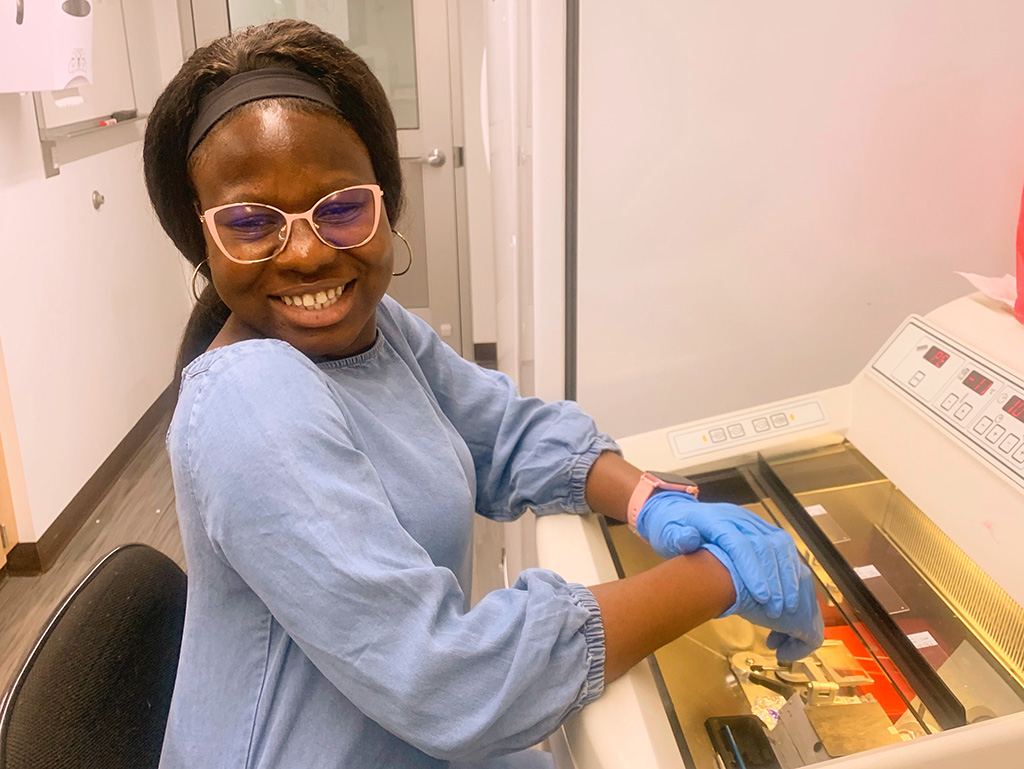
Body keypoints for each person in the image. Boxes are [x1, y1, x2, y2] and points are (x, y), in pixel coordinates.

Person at [143, 19, 823, 769]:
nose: (307, 254)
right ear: (201, 239)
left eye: (340, 209)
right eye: (250, 223)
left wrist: (647, 501)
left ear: (385, 204)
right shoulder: (252, 400)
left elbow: (503, 435)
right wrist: (720, 577)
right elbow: (449, 681)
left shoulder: (378, 330)